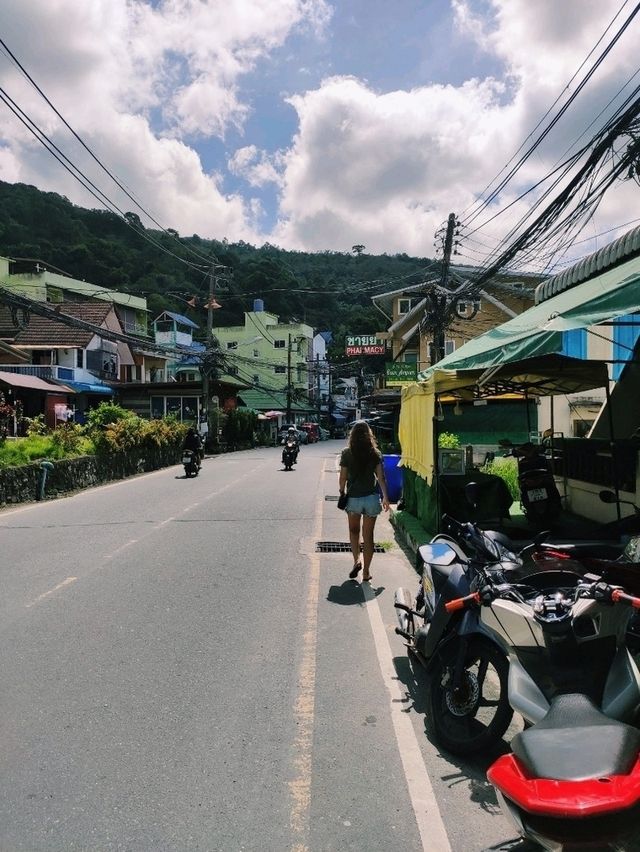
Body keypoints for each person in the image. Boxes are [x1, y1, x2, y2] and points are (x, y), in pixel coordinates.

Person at [339, 420, 390, 582]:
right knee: (369, 537)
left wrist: (342, 492)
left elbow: (343, 477)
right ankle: (366, 572)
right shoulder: (375, 453)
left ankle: (356, 561)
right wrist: (386, 498)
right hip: (371, 499)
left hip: (353, 499)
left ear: (352, 435)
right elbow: (381, 478)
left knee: (354, 532)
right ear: (369, 434)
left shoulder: (347, 453)